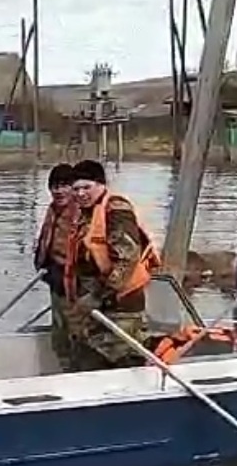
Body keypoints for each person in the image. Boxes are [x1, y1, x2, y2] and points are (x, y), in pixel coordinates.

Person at [64, 159, 161, 371]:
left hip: (120, 306)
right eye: (76, 189)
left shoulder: (116, 210)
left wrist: (98, 296)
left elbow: (127, 258)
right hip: (96, 307)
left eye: (86, 187)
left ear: (101, 185)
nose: (81, 193)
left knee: (121, 361)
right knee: (87, 359)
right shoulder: (84, 215)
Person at [33, 162, 78, 368]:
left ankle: (76, 370)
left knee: (75, 331)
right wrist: (41, 263)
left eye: (64, 185)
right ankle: (64, 366)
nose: (58, 191)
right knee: (59, 330)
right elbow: (46, 239)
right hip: (54, 279)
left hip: (75, 284)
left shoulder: (80, 212)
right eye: (54, 186)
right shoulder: (52, 210)